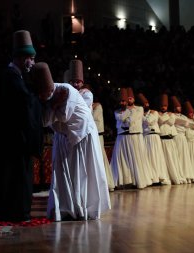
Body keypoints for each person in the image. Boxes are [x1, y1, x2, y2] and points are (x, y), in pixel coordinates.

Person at [29, 62, 111, 221]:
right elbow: (45, 121)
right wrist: (53, 106)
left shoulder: (66, 91)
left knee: (81, 170)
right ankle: (66, 207)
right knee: (64, 171)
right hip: (65, 136)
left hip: (82, 135)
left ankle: (83, 206)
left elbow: (64, 116)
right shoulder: (49, 96)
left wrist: (53, 107)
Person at [0, 30, 44, 221]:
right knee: (13, 176)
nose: (32, 62)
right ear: (22, 58)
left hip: (9, 138)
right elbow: (24, 104)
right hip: (11, 139)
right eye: (30, 58)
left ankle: (6, 209)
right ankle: (14, 211)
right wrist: (40, 99)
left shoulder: (16, 77)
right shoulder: (10, 76)